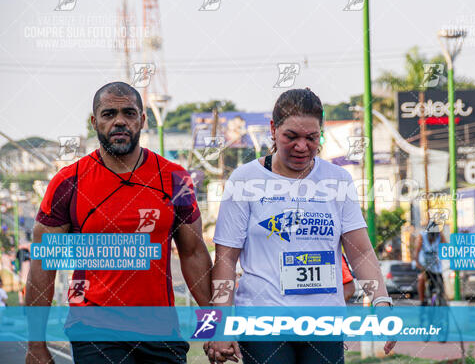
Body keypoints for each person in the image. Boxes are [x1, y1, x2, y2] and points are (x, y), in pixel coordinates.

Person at [203, 88, 396, 364]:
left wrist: (381, 302)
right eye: (291, 137)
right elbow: (225, 260)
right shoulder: (244, 180)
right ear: (273, 129)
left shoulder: (338, 180)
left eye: (312, 138)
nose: (302, 146)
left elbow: (361, 252)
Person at [25, 82, 212, 364]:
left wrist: (213, 327)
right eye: (109, 113)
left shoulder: (174, 178)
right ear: (94, 122)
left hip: (161, 331)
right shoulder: (68, 182)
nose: (120, 121)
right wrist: (35, 345)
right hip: (94, 330)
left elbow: (194, 253)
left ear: (143, 120)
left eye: (129, 113)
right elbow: (42, 266)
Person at [415, 220, 447, 305]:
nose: (432, 238)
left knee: (441, 282)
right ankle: (422, 301)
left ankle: (442, 300)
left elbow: (446, 247)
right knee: (422, 278)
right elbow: (417, 251)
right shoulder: (422, 236)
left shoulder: (440, 235)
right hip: (424, 264)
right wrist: (417, 263)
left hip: (436, 265)